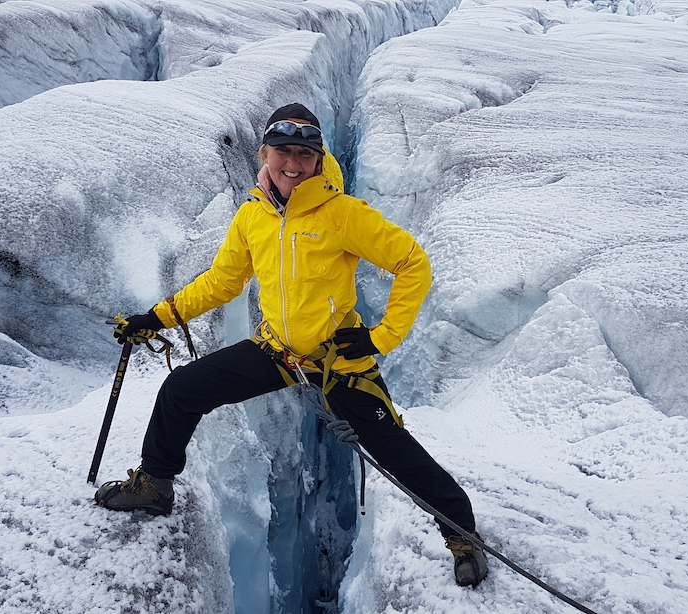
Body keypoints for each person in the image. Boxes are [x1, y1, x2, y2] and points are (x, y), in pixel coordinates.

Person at [94, 103, 488, 587]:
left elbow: (412, 262)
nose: (293, 164)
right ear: (265, 153)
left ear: (319, 160)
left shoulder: (342, 213)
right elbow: (222, 281)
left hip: (335, 362)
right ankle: (155, 485)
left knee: (394, 449)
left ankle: (462, 533)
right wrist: (155, 318)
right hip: (277, 351)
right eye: (284, 151)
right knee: (182, 389)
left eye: (305, 153)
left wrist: (380, 337)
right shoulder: (252, 216)